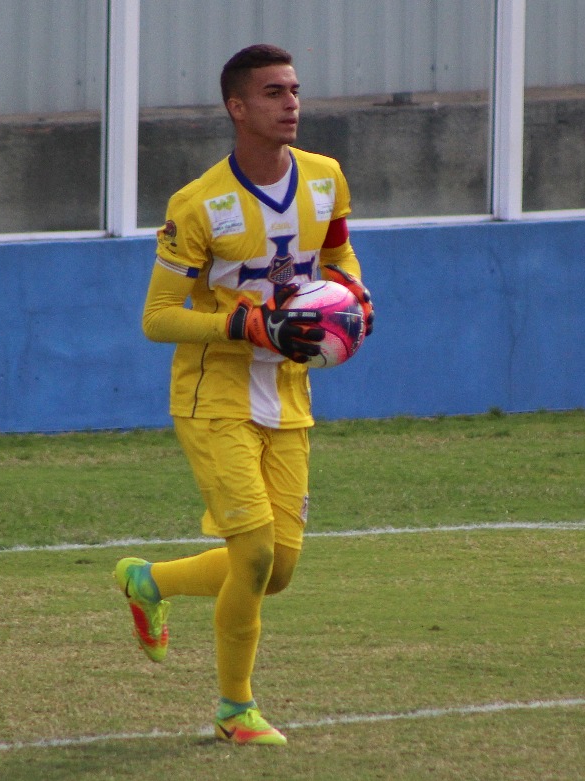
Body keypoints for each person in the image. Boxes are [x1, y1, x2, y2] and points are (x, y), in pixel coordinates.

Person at [113, 44, 374, 746]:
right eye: (272, 93)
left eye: (294, 90)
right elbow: (157, 317)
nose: (291, 103)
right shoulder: (198, 205)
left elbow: (338, 255)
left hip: (288, 393)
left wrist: (354, 295)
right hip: (213, 393)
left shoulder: (326, 179)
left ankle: (150, 580)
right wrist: (244, 321)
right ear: (237, 108)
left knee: (278, 569)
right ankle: (235, 709)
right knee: (253, 550)